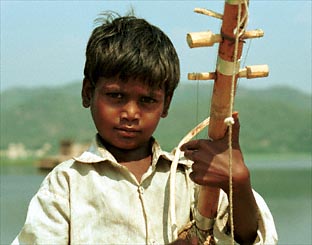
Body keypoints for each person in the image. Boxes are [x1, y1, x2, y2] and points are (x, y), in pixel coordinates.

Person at [12, 12, 277, 244]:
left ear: (165, 104)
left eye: (147, 100)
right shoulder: (67, 184)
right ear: (87, 93)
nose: (130, 113)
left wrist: (239, 183)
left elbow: (250, 238)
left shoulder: (191, 176)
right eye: (116, 96)